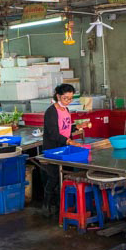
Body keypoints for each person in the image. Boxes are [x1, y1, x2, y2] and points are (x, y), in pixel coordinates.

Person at [41, 83, 92, 215]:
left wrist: (80, 126)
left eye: (70, 98)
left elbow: (66, 129)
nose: (68, 101)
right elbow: (54, 133)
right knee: (53, 177)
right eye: (65, 98)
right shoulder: (51, 112)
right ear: (58, 96)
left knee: (62, 176)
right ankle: (46, 206)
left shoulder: (66, 110)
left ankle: (60, 206)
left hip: (64, 148)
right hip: (53, 149)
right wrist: (69, 141)